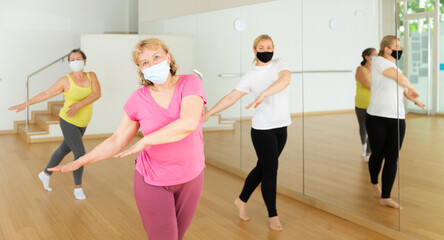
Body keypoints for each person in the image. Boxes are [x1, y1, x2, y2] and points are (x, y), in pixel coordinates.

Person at [49, 38, 206, 240]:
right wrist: (80, 161)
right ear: (141, 69)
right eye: (145, 62)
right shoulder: (138, 99)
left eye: (156, 57)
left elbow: (188, 123)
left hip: (191, 177)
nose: (152, 64)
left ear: (168, 57)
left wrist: (145, 141)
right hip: (153, 179)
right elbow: (117, 140)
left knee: (177, 236)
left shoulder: (190, 83)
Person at [203, 34, 291, 231]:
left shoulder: (279, 64)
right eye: (262, 47)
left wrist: (263, 94)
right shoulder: (250, 75)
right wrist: (209, 113)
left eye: (269, 47)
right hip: (263, 130)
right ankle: (273, 215)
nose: (266, 50)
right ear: (255, 50)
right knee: (270, 170)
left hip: (282, 127)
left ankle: (241, 200)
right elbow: (232, 97)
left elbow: (285, 80)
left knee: (263, 167)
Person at [9, 49, 101, 200]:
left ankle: (45, 174)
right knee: (80, 153)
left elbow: (97, 94)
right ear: (69, 63)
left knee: (64, 148)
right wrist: (26, 104)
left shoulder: (92, 76)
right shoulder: (65, 80)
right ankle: (78, 188)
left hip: (83, 122)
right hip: (68, 120)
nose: (75, 61)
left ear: (84, 61)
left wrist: (79, 105)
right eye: (72, 59)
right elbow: (46, 94)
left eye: (78, 58)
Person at [366, 35, 425, 209]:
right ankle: (374, 182)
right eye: (397, 46)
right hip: (377, 117)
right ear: (387, 49)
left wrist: (414, 99)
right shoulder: (379, 62)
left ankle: (386, 196)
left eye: (400, 46)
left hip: (397, 118)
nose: (400, 49)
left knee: (392, 157)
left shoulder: (394, 66)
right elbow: (400, 79)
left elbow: (401, 86)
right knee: (378, 154)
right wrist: (413, 88)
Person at [355, 48, 377, 162]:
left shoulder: (377, 70)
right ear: (367, 57)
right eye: (374, 55)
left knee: (372, 129)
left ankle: (369, 153)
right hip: (361, 103)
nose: (376, 57)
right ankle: (364, 145)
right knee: (362, 127)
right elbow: (368, 85)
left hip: (373, 103)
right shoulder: (360, 69)